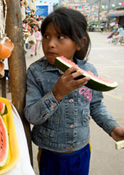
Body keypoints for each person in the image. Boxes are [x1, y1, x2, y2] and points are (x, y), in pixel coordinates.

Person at [24, 7, 124, 175]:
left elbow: (96, 106)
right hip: (50, 153)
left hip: (82, 151)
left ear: (80, 43)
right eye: (46, 36)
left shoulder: (89, 71)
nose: (50, 43)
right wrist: (57, 93)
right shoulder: (35, 72)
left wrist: (113, 128)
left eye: (60, 37)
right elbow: (31, 116)